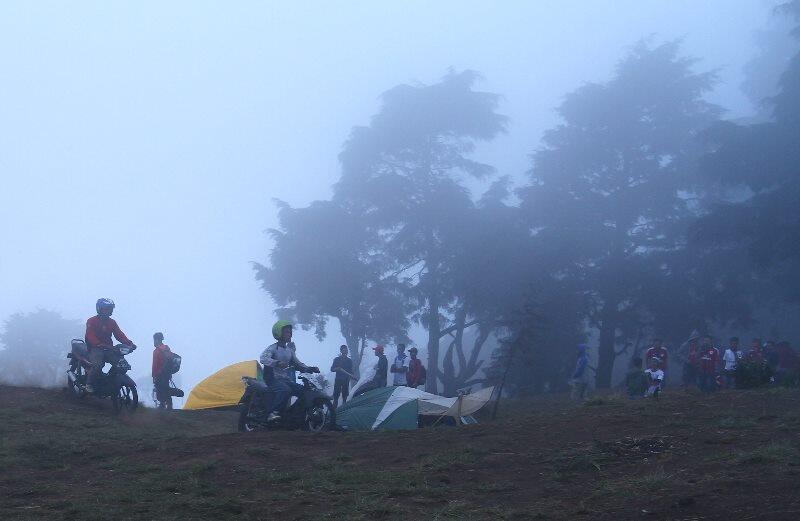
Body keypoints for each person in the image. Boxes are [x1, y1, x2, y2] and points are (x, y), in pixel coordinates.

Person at [259, 320, 319, 420]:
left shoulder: (289, 351)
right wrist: (277, 363)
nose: (290, 334)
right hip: (272, 379)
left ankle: (295, 416)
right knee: (285, 390)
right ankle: (272, 413)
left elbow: (298, 364)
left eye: (290, 332)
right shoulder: (273, 348)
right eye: (286, 332)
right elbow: (263, 358)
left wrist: (309, 368)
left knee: (304, 391)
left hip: (285, 380)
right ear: (278, 333)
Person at [84, 298, 136, 393]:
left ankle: (109, 381)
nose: (108, 311)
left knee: (121, 365)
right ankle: (89, 384)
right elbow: (89, 335)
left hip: (108, 349)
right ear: (99, 309)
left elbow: (119, 334)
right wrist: (99, 344)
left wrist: (129, 343)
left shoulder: (112, 322)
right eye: (106, 309)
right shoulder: (91, 321)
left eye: (110, 309)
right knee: (98, 365)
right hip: (95, 348)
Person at [151, 332, 173, 409]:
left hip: (159, 373)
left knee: (159, 388)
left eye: (154, 340)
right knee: (166, 387)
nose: (154, 342)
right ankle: (169, 404)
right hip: (167, 372)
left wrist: (154, 375)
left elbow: (155, 364)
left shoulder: (156, 351)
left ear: (157, 340)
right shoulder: (167, 348)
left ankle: (162, 404)